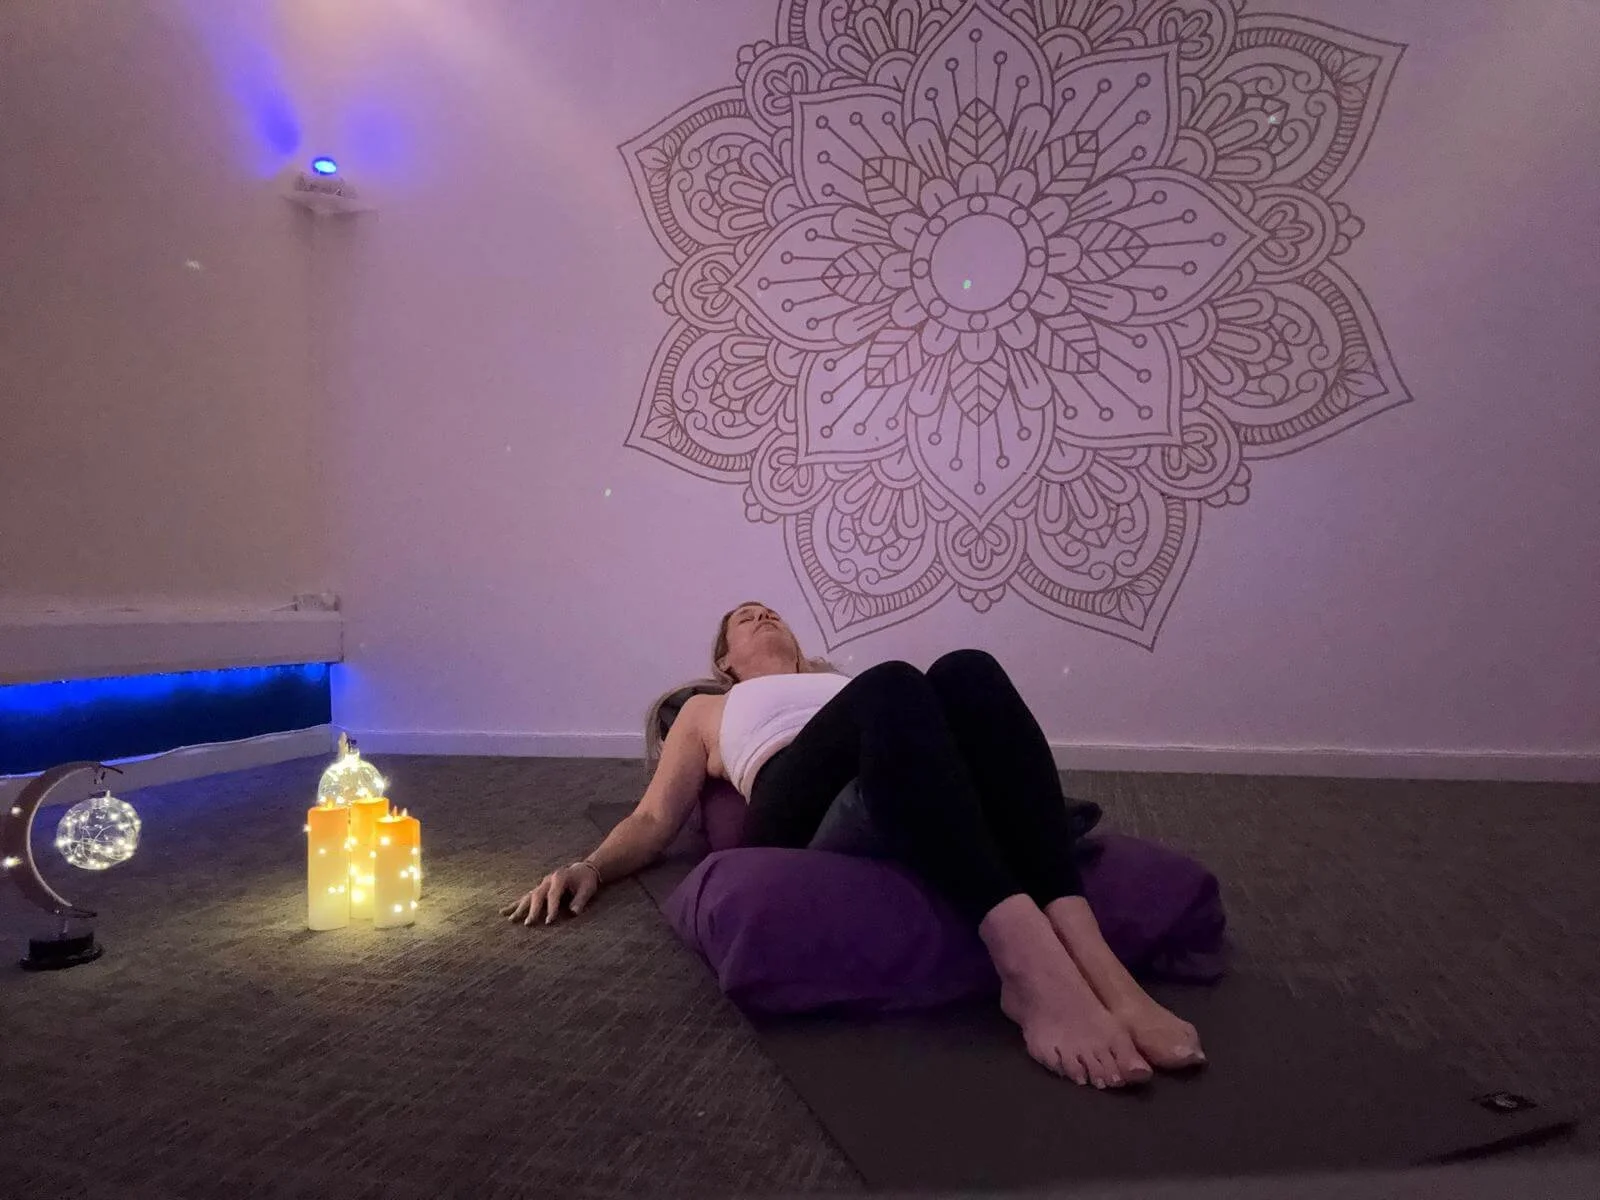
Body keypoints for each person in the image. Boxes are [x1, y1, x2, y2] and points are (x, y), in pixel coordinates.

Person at [504, 601, 1207, 1089]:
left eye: (771, 611)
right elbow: (656, 817)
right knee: (894, 681)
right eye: (745, 617)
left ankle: (1101, 968)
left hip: (892, 774)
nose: (763, 616)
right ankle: (1028, 967)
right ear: (725, 661)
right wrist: (589, 865)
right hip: (794, 803)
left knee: (968, 670)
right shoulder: (706, 709)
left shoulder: (838, 683)